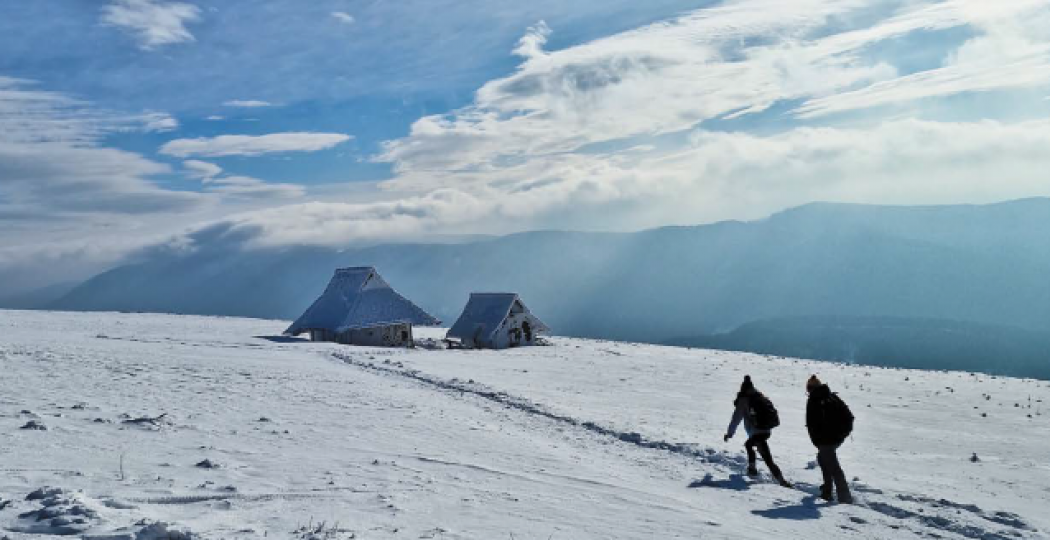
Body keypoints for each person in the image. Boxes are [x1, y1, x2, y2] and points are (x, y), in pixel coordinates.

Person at [724, 375, 791, 487]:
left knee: (753, 448)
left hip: (757, 432)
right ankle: (779, 479)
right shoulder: (759, 396)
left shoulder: (744, 400)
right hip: (766, 431)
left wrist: (730, 433)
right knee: (756, 449)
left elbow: (736, 419)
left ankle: (754, 470)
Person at [806, 375, 854, 504]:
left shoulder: (815, 400)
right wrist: (841, 434)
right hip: (836, 438)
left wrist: (819, 439)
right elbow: (849, 417)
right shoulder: (832, 396)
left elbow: (812, 423)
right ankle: (827, 490)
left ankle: (845, 499)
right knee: (822, 459)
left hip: (825, 440)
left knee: (834, 467)